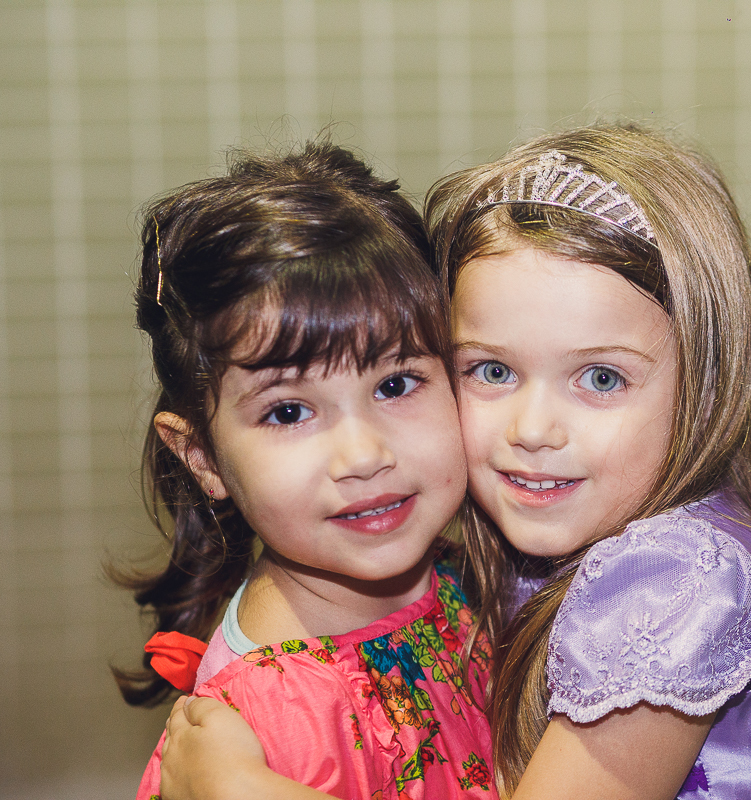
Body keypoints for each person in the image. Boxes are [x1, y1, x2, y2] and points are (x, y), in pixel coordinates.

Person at [156, 124, 751, 799]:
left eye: (601, 378)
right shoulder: (508, 547)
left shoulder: (672, 582)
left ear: (703, 385)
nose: (534, 430)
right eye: (492, 371)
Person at [113, 140, 496, 800]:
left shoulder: (471, 573)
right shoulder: (258, 726)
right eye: (289, 412)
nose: (364, 455)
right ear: (201, 457)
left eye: (397, 384)